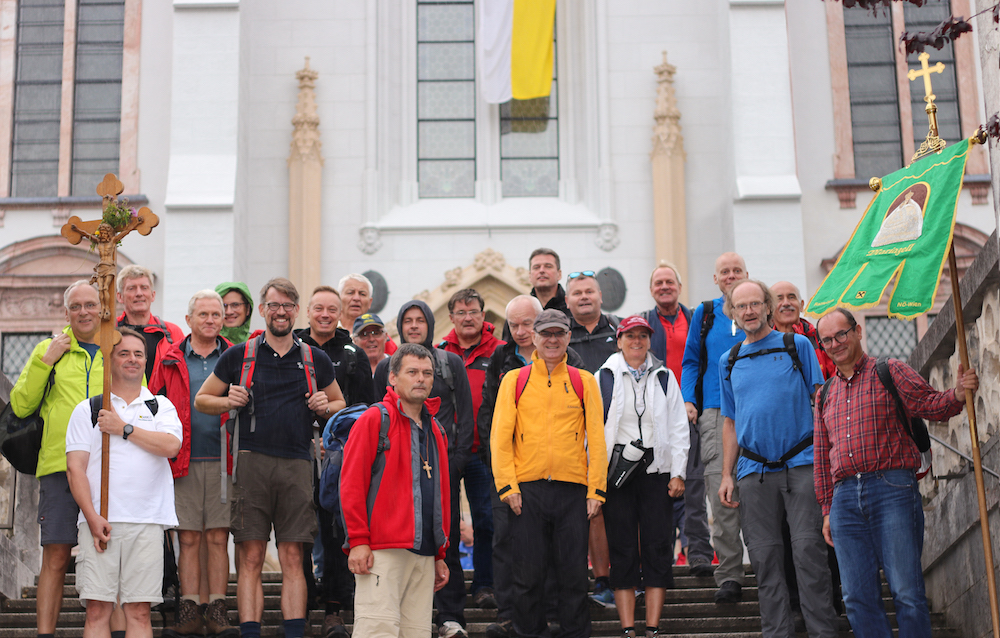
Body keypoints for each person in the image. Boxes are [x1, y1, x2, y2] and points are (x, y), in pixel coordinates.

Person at [194, 278, 346, 638]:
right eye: (274, 305)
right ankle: (251, 632)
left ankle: (292, 632)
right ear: (261, 310)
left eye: (288, 305)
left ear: (297, 311)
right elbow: (203, 400)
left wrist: (326, 406)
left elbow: (340, 404)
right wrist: (228, 400)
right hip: (251, 463)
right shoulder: (239, 355)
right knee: (250, 556)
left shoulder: (314, 358)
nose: (281, 312)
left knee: (294, 555)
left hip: (297, 463)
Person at [814, 308, 979, 638]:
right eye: (827, 339)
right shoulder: (824, 394)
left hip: (891, 487)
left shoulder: (889, 370)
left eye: (841, 334)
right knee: (857, 598)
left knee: (906, 591)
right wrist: (827, 509)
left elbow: (930, 404)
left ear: (858, 331)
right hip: (844, 498)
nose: (835, 343)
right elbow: (821, 457)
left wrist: (958, 394)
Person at [718, 280, 838, 638]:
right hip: (753, 474)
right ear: (733, 313)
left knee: (809, 554)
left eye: (756, 303)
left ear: (767, 307)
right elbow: (730, 420)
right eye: (742, 306)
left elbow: (820, 403)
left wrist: (827, 458)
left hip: (802, 465)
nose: (750, 311)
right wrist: (727, 473)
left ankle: (823, 632)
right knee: (765, 560)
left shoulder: (796, 345)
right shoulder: (730, 359)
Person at [491, 308, 607, 638]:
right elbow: (500, 437)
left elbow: (596, 438)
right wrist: (507, 485)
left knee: (572, 575)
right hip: (527, 491)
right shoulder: (515, 380)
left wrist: (596, 489)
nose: (552, 340)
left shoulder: (584, 381)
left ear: (569, 337)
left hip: (572, 490)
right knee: (527, 576)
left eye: (559, 334)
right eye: (546, 334)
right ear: (535, 339)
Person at [65, 328, 183, 638]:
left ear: (146, 360)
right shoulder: (88, 409)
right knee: (98, 610)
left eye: (138, 354)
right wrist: (91, 517)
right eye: (124, 353)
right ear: (109, 359)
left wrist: (124, 428)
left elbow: (171, 446)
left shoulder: (160, 406)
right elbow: (74, 469)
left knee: (140, 611)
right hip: (100, 521)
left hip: (147, 520)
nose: (132, 359)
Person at [9, 281, 105, 638]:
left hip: (107, 467)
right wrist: (45, 362)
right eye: (76, 306)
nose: (83, 311)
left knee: (107, 554)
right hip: (59, 467)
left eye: (90, 305)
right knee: (56, 556)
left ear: (101, 309)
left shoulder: (117, 350)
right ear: (66, 313)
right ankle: (45, 634)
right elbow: (20, 405)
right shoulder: (48, 350)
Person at [373, 300, 474, 638]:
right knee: (403, 545)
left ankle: (450, 615)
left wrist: (455, 461)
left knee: (445, 539)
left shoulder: (449, 362)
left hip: (441, 464)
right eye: (408, 321)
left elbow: (465, 415)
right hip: (397, 471)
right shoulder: (385, 366)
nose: (414, 326)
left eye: (420, 320)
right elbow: (379, 411)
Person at [340, 344, 452, 638]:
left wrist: (440, 552)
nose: (421, 379)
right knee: (376, 631)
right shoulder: (375, 419)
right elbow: (351, 484)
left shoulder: (436, 428)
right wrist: (358, 541)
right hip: (381, 550)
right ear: (392, 377)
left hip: (424, 552)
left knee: (416, 633)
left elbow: (441, 494)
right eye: (412, 372)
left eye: (427, 373)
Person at [151, 290, 237, 638]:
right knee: (187, 538)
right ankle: (188, 608)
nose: (210, 320)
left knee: (217, 538)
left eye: (216, 314)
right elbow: (154, 403)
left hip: (224, 459)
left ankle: (217, 608)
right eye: (203, 314)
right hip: (182, 459)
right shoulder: (170, 357)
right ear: (188, 320)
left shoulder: (235, 357)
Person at [597, 316, 688, 638]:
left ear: (650, 341)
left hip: (656, 473)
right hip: (617, 474)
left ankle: (651, 627)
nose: (637, 341)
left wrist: (678, 473)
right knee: (621, 548)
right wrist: (595, 478)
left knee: (657, 546)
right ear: (619, 339)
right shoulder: (603, 377)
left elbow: (679, 427)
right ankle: (627, 628)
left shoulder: (664, 377)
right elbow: (593, 430)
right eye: (630, 335)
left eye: (642, 336)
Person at [295, 285, 375, 637]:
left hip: (340, 458)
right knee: (296, 530)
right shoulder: (289, 349)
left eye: (332, 309)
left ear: (340, 313)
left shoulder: (353, 355)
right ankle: (303, 598)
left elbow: (367, 409)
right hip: (295, 452)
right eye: (319, 308)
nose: (325, 314)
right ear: (307, 312)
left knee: (334, 530)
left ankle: (334, 608)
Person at [680, 252, 748, 603]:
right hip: (716, 410)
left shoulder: (756, 309)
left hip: (756, 407)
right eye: (725, 271)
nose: (731, 275)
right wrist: (688, 399)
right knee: (720, 492)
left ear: (747, 275)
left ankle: (768, 569)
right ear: (716, 278)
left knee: (758, 492)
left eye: (737, 270)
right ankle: (731, 575)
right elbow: (691, 359)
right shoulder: (705, 314)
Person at [641, 262, 713, 578]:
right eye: (659, 282)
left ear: (679, 287)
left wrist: (692, 400)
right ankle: (661, 559)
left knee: (694, 487)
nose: (664, 287)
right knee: (659, 489)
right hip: (656, 421)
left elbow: (701, 364)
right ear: (652, 289)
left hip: (691, 413)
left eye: (670, 281)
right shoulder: (643, 324)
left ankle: (697, 552)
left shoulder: (698, 319)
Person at [438, 289, 503, 610]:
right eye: (461, 312)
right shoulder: (437, 353)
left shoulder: (501, 352)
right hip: (446, 454)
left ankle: (484, 585)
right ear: (451, 317)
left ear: (483, 315)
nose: (467, 318)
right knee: (446, 525)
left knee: (486, 521)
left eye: (473, 311)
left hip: (483, 455)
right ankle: (448, 588)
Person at [565, 270, 619, 607]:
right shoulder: (561, 337)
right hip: (578, 437)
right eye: (577, 293)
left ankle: (630, 575)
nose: (584, 297)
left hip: (622, 434)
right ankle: (601, 580)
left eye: (589, 291)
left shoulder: (620, 330)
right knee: (593, 510)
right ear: (567, 300)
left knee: (627, 510)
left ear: (600, 296)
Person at [115, 264, 184, 380]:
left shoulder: (172, 333)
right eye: (132, 288)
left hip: (160, 398)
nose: (139, 293)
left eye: (144, 288)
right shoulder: (109, 330)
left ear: (153, 295)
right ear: (120, 297)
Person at [771, 281, 835, 379]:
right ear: (770, 308)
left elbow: (837, 376)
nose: (786, 303)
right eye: (779, 299)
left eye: (791, 297)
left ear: (801, 305)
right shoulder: (764, 344)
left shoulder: (820, 338)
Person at [340, 273, 397, 355]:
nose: (356, 298)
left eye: (362, 294)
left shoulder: (383, 340)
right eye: (350, 292)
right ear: (339, 299)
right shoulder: (328, 331)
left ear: (370, 302)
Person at [527, 248, 570, 317]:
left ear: (559, 274)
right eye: (536, 267)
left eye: (548, 266)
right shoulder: (522, 310)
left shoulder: (572, 307)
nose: (541, 270)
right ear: (530, 276)